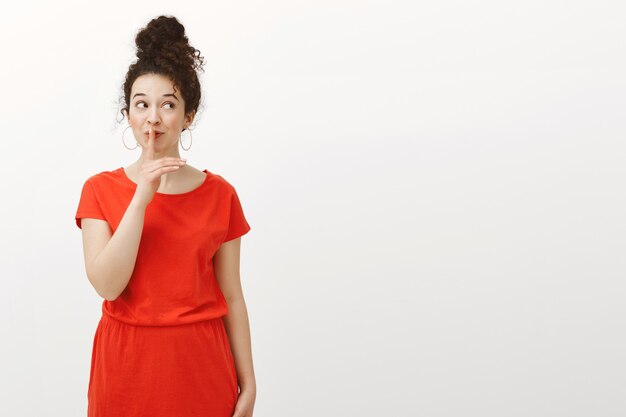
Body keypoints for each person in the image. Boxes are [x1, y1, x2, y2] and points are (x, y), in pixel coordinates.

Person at [74, 15, 256, 417]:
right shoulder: (99, 191)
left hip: (202, 369)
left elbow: (232, 295)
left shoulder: (220, 195)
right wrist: (142, 197)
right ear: (128, 113)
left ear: (188, 116)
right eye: (141, 104)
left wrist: (249, 383)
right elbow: (107, 285)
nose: (153, 117)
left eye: (168, 104)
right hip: (125, 371)